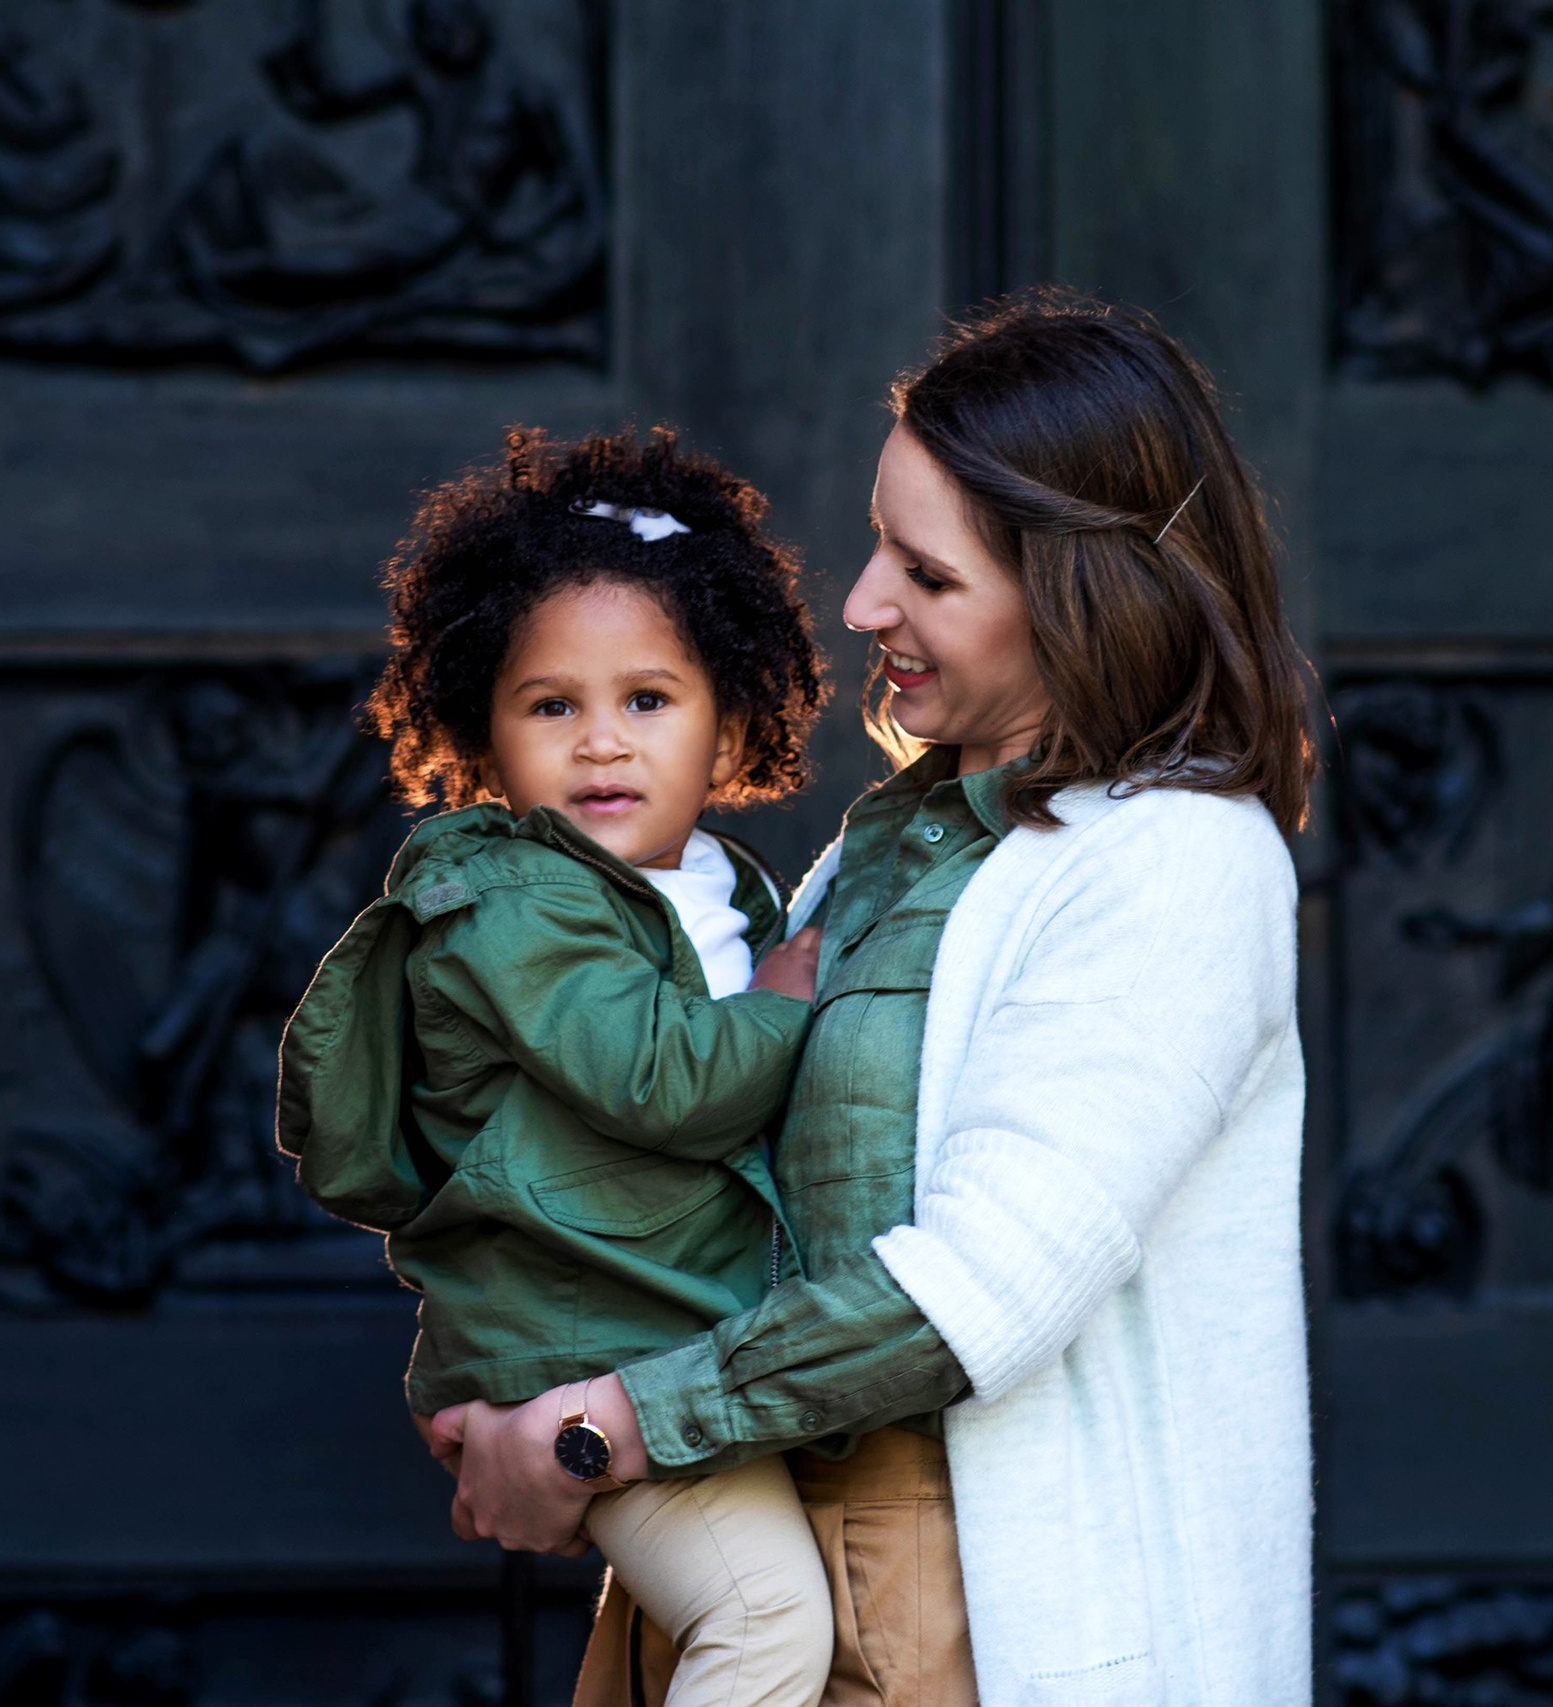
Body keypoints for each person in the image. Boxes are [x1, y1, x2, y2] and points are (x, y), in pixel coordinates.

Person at [431, 295, 1319, 1707]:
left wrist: (596, 1434)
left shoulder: (1176, 863)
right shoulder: (894, 839)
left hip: (967, 1613)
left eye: (928, 573)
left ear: (1084, 594)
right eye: (877, 541)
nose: (859, 604)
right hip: (751, 1561)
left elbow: (974, 1294)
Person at [277, 428, 841, 1707]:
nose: (600, 743)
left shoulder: (721, 887)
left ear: (729, 730)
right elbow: (661, 1082)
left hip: (673, 1335)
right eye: (551, 706)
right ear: (483, 740)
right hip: (584, 1350)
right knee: (762, 1619)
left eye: (647, 700)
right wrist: (785, 1004)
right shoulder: (518, 902)